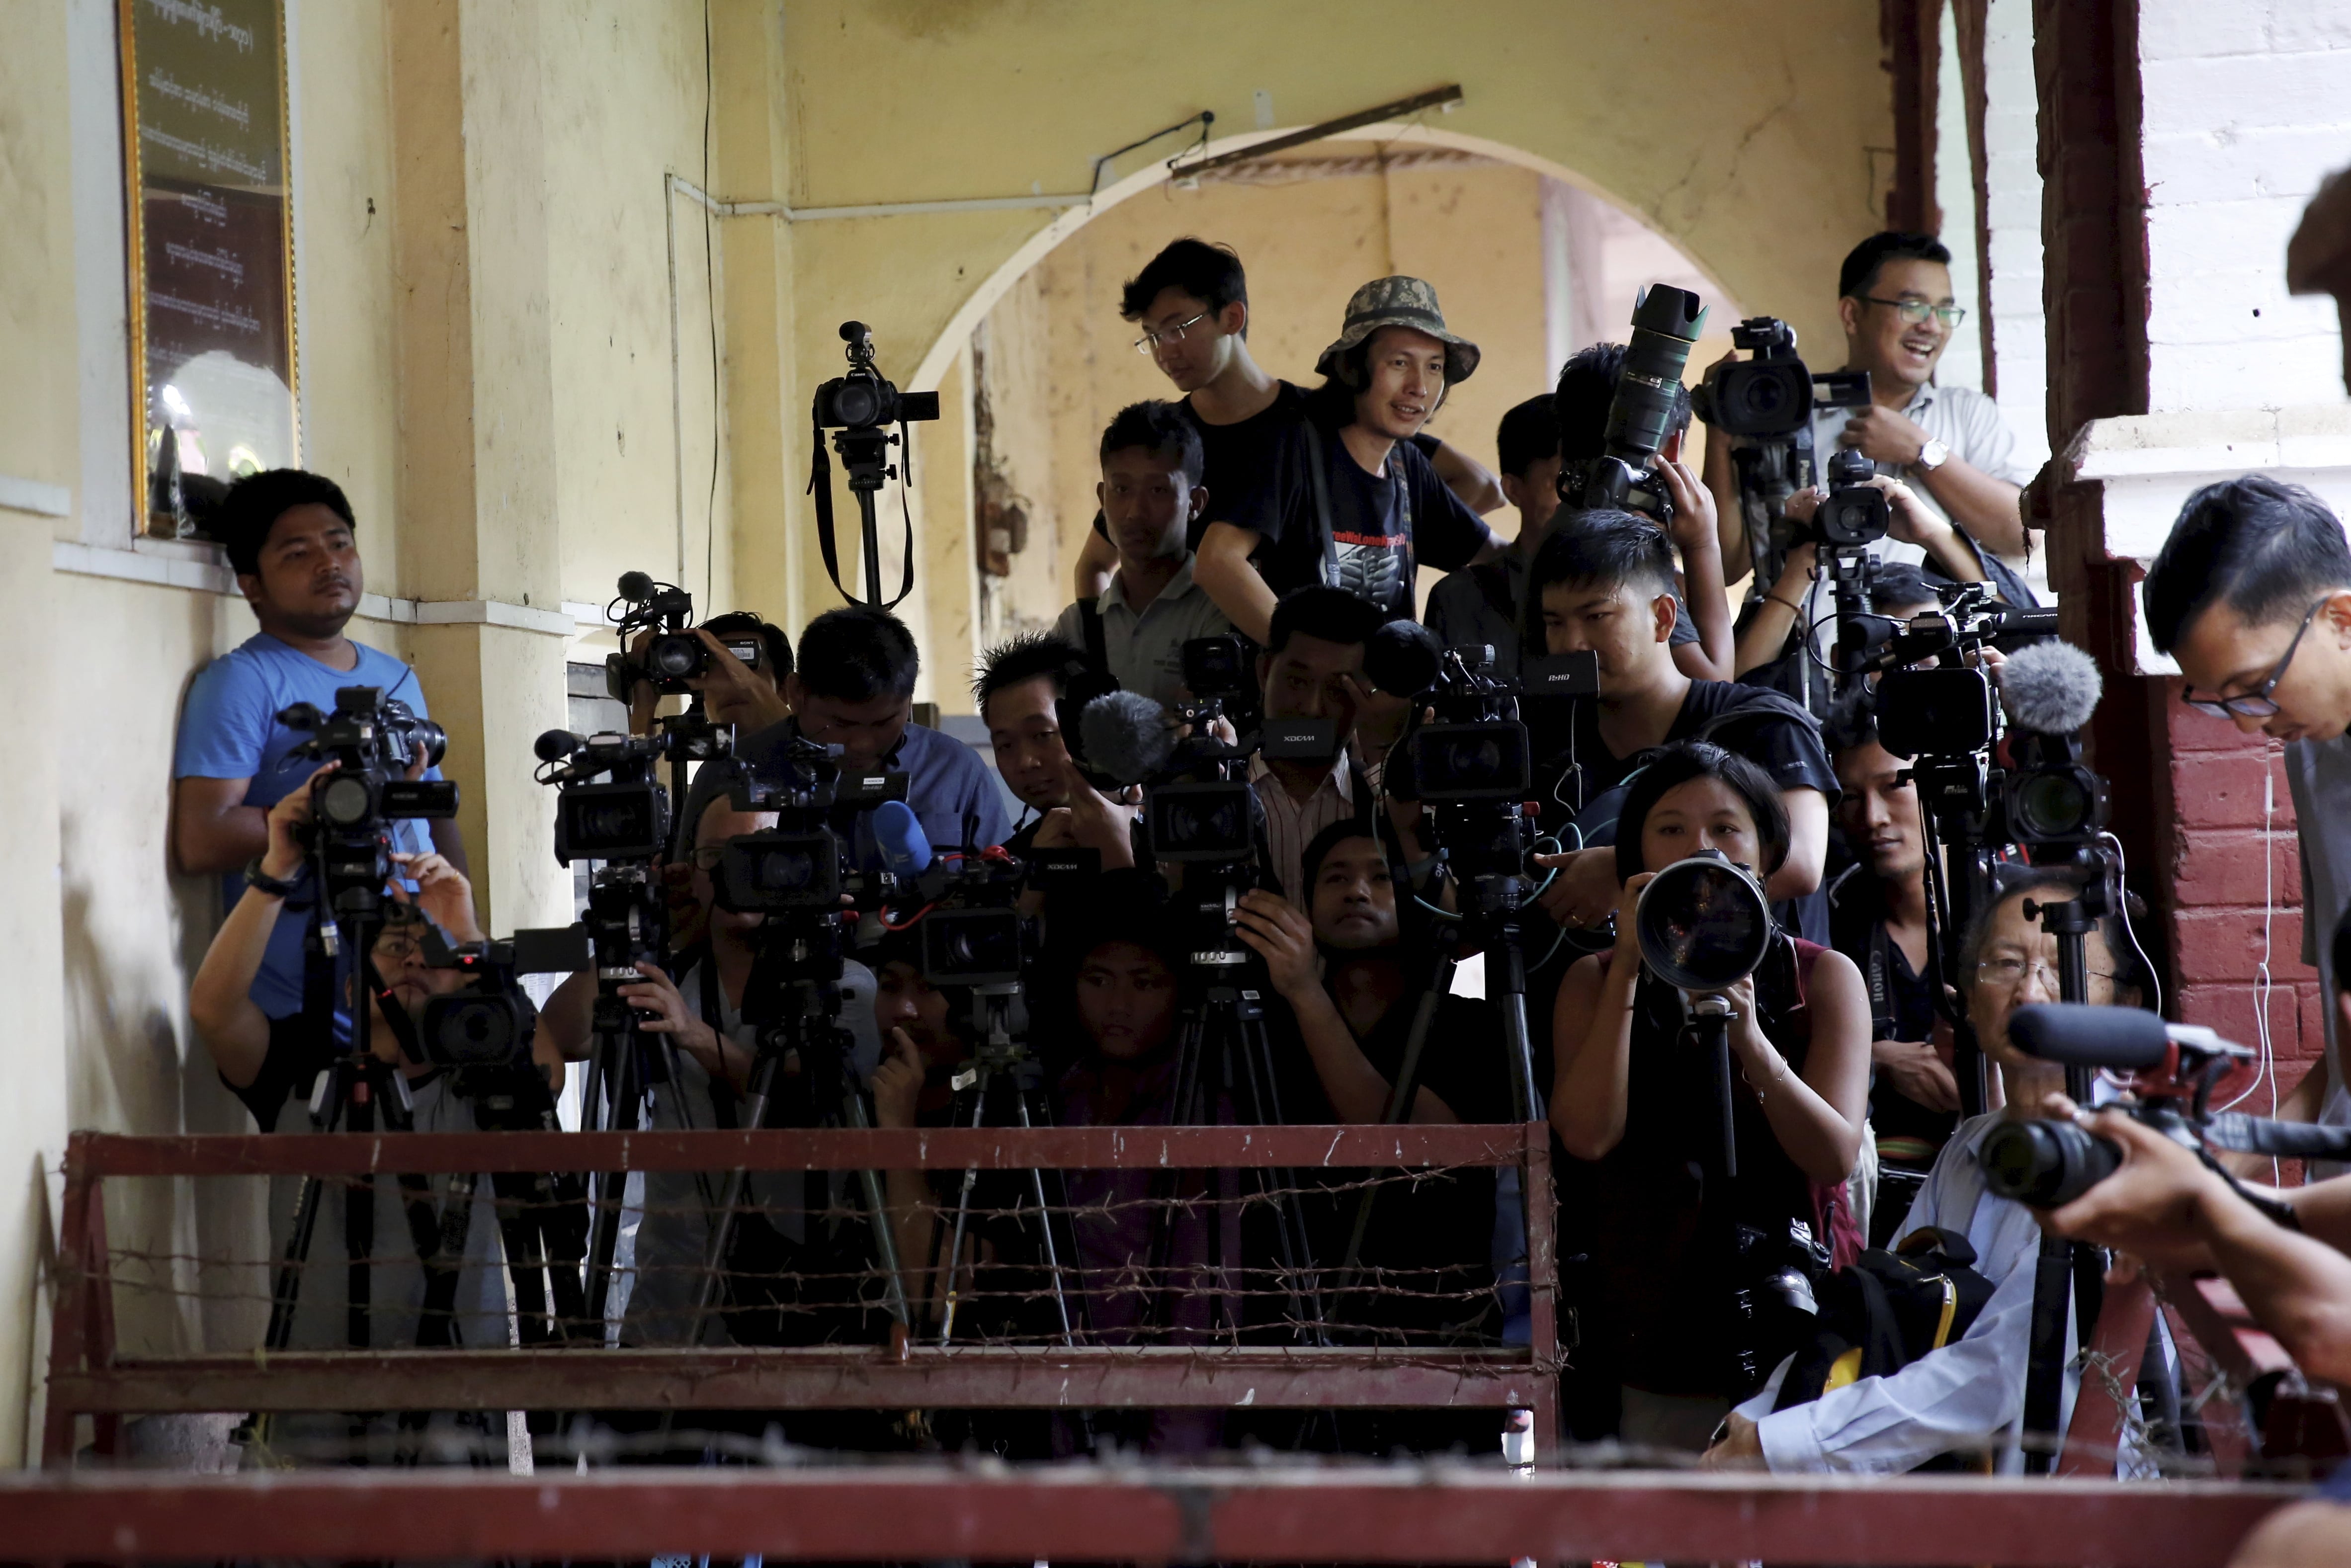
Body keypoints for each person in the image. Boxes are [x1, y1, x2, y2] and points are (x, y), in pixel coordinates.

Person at [1702, 864, 2158, 1475]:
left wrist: (1780, 1444)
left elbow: (1997, 1370)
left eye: (2061, 964)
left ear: (2124, 1002)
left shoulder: (2123, 1158)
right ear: (1968, 995)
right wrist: (1760, 1418)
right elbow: (1882, 1314)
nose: (2031, 992)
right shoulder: (1970, 1147)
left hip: (2078, 1508)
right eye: (2005, 963)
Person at [1550, 742, 1870, 1452]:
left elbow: (1831, 1154)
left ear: (1763, 853)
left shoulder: (1821, 977)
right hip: (1653, 1322)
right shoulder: (1593, 980)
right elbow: (1586, 1135)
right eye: (1669, 829)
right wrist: (1632, 967)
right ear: (1635, 852)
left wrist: (1750, 1035)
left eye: (1725, 828)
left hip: (1797, 1315)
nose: (1700, 848)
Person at [187, 766, 546, 1378]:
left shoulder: (486, 1085)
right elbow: (215, 1010)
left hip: (456, 1403)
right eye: (391, 945)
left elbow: (546, 1070)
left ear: (462, 978)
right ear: (354, 986)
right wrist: (276, 869)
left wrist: (466, 932)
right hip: (318, 1396)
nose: (411, 955)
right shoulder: (309, 1073)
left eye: (430, 951)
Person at [172, 469, 468, 1021]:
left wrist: (465, 930)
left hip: (420, 984)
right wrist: (332, 814)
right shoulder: (243, 681)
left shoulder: (396, 677)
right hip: (304, 1003)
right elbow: (201, 837)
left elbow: (433, 809)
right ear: (251, 583)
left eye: (340, 544)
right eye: (297, 553)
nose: (329, 563)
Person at [1069, 239, 1503, 602]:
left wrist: (1389, 539)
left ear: (1233, 317)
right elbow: (1094, 565)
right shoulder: (1168, 441)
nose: (1165, 351)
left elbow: (1479, 485)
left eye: (1178, 328)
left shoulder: (1320, 419)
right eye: (1153, 337)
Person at [2142, 476, 2351, 1154]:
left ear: (2340, 619)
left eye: (2254, 687)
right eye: (2219, 699)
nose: (2245, 724)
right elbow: (2342, 1046)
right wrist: (2229, 1167)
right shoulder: (2312, 748)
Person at [1523, 512, 1838, 941]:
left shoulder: (1760, 723)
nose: (1571, 644)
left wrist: (1623, 873)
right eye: (1554, 623)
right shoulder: (1537, 738)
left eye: (1596, 617)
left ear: (1664, 618)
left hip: (1754, 1002)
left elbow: (1799, 865)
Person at [539, 795, 778, 1349]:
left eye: (754, 852)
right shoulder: (672, 974)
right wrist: (637, 936)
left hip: (795, 1302)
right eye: (715, 855)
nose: (732, 872)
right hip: (671, 1299)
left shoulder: (844, 984)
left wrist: (692, 1033)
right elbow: (561, 1035)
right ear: (690, 871)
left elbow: (795, 1096)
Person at [1707, 230, 2040, 586]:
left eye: (1944, 310)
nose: (1931, 326)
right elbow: (1728, 565)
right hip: (1808, 639)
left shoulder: (1968, 413)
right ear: (1852, 315)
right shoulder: (1793, 417)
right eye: (1912, 306)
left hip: (1928, 638)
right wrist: (1718, 431)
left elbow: (2025, 539)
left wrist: (1922, 452)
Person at [1191, 276, 1504, 641]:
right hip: (1304, 697)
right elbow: (1216, 562)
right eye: (1400, 363)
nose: (1419, 387)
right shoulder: (1292, 447)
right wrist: (1302, 659)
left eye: (1434, 367)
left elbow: (1496, 557)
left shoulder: (1408, 464)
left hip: (1383, 694)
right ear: (1352, 368)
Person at [1425, 382, 1730, 682]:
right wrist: (1702, 545)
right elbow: (1714, 683)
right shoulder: (1460, 597)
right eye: (1561, 481)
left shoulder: (1648, 579)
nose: (1582, 496)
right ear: (1513, 489)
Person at [684, 605, 1012, 863]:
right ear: (797, 693)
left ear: (908, 700)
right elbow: (689, 902)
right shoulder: (729, 774)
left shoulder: (956, 770)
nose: (861, 744)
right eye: (841, 724)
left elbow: (1005, 891)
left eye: (883, 723)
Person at [1824, 687, 1958, 1245]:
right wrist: (1872, 1057)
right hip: (1873, 1202)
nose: (1871, 817)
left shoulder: (2013, 906)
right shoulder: (1832, 917)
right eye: (1851, 797)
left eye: (1893, 785)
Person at [1053, 401, 1236, 709]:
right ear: (1102, 497)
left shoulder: (1217, 612)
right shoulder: (1076, 627)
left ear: (1195, 503)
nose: (1135, 513)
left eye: (1158, 491)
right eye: (1121, 490)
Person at [1249, 586, 1388, 904]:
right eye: (1297, 681)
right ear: (1264, 673)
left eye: (1339, 689)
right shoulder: (1215, 796)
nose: (1312, 708)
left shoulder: (1386, 805)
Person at [971, 631, 1140, 866]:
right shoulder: (1008, 864)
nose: (1025, 762)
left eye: (1042, 735)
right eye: (1005, 745)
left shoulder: (1177, 831)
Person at [624, 609, 792, 737]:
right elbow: (636, 784)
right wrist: (643, 713)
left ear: (785, 690)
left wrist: (751, 687)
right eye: (715, 671)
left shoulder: (811, 768)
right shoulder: (710, 777)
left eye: (745, 669)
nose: (732, 684)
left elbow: (812, 751)